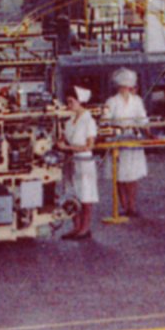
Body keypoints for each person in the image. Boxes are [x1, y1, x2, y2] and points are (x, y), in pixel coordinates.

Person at [100, 67, 151, 224]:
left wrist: (148, 131)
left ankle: (132, 205)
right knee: (120, 175)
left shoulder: (137, 101)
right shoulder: (111, 102)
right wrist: (114, 128)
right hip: (118, 140)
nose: (126, 88)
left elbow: (142, 119)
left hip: (132, 139)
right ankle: (123, 205)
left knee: (133, 175)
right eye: (123, 86)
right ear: (118, 86)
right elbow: (105, 121)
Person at [59, 84, 100, 239]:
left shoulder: (88, 120)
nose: (69, 105)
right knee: (72, 195)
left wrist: (68, 147)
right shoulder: (69, 120)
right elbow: (63, 138)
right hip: (70, 162)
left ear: (80, 101)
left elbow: (90, 145)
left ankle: (85, 228)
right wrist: (61, 143)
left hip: (84, 162)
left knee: (86, 196)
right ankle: (76, 227)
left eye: (71, 102)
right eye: (68, 102)